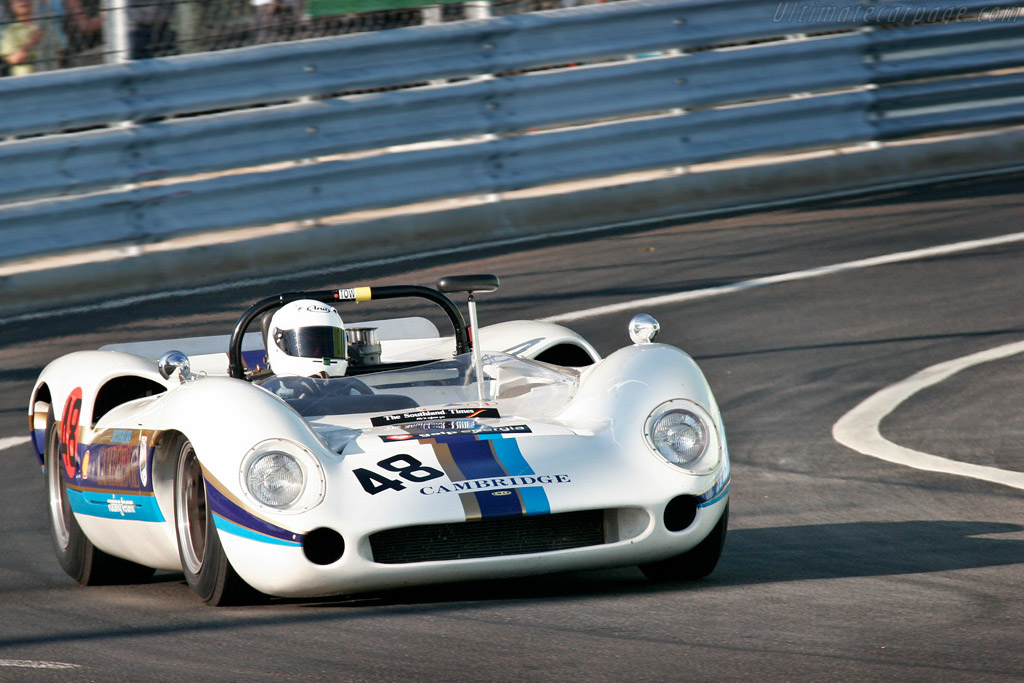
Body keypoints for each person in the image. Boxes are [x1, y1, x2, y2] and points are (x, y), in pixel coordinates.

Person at [265, 299, 349, 378]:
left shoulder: (350, 387)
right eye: (310, 344)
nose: (319, 351)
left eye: (326, 344)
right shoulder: (265, 391)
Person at [1, 0, 43, 75]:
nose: (23, 2)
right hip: (25, 80)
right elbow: (13, 59)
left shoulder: (46, 26)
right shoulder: (9, 31)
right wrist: (32, 41)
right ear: (9, 6)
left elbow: (58, 54)